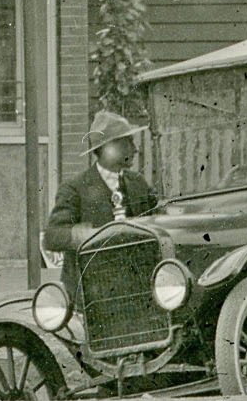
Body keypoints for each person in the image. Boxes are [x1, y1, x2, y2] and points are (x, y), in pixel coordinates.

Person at [45, 111, 161, 288]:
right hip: (90, 289)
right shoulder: (75, 188)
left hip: (133, 288)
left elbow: (158, 215)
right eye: (128, 142)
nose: (135, 148)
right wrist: (89, 235)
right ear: (108, 147)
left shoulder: (138, 183)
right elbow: (52, 237)